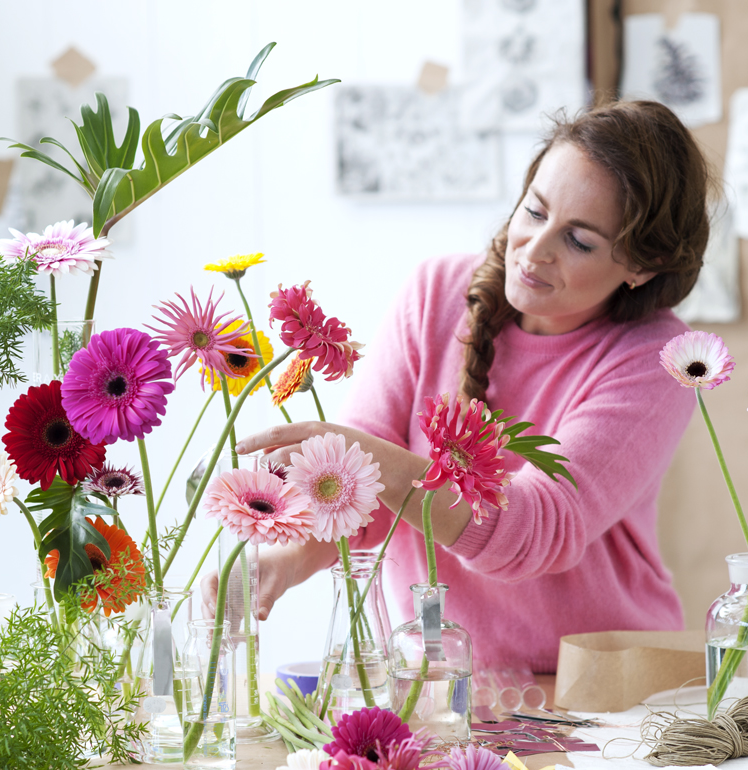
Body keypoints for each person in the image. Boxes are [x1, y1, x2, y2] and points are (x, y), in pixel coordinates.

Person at [210, 100, 712, 673]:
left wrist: (383, 463)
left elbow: (535, 530)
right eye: (534, 211)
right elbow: (362, 493)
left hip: (597, 688)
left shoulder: (658, 361)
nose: (535, 249)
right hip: (436, 678)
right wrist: (287, 559)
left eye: (579, 240)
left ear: (643, 265)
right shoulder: (435, 293)